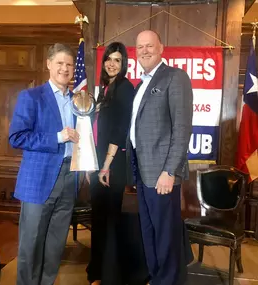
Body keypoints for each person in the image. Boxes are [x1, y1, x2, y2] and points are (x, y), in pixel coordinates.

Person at [9, 43, 79, 285]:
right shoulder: (31, 97)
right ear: (48, 64)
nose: (65, 68)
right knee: (31, 244)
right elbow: (16, 137)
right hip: (38, 180)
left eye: (69, 64)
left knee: (56, 243)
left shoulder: (79, 101)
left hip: (70, 177)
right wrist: (57, 137)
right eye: (60, 63)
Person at [127, 30, 194, 285]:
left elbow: (181, 129)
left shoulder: (175, 78)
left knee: (166, 235)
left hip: (162, 175)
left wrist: (170, 172)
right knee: (149, 231)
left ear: (161, 48)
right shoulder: (141, 84)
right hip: (143, 173)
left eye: (149, 46)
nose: (144, 50)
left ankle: (169, 281)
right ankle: (157, 278)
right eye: (140, 47)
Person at [86, 42, 134, 285]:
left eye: (117, 60)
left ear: (123, 64)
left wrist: (105, 166)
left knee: (109, 220)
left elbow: (119, 130)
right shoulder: (105, 88)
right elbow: (96, 130)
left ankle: (109, 274)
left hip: (112, 164)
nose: (112, 63)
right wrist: (90, 163)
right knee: (98, 219)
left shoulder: (125, 88)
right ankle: (97, 271)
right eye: (109, 59)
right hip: (98, 161)